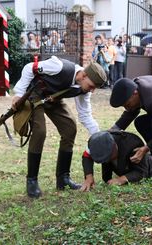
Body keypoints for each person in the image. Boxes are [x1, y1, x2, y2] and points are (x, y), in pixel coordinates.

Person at [12, 56, 107, 198]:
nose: (92, 91)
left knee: (70, 128)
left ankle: (63, 179)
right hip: (35, 95)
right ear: (83, 75)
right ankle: (32, 180)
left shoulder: (84, 90)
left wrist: (98, 135)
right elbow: (29, 67)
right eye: (92, 86)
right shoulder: (59, 66)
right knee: (40, 131)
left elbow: (85, 115)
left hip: (53, 99)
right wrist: (19, 93)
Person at [80, 130, 152, 191]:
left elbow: (142, 172)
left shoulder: (133, 144)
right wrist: (89, 177)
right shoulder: (96, 141)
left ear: (114, 146)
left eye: (108, 157)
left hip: (149, 166)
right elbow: (86, 156)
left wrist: (121, 179)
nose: (106, 162)